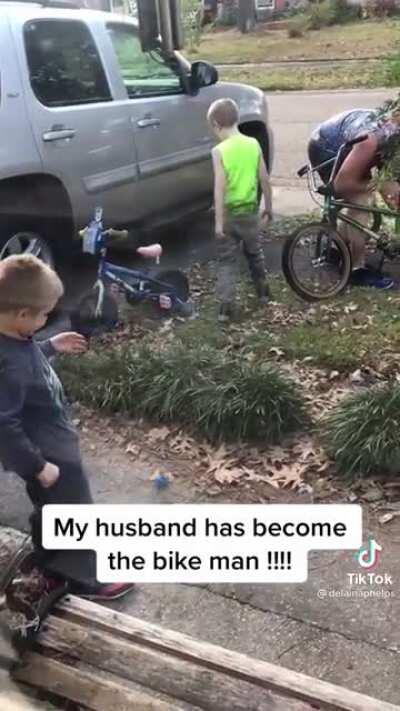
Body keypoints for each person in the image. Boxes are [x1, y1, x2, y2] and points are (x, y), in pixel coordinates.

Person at [0, 254, 134, 600]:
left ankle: (48, 563)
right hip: (51, 459)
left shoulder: (14, 340)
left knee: (51, 509)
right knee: (75, 513)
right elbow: (4, 423)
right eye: (44, 314)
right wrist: (38, 466)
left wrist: (48, 346)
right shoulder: (9, 366)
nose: (48, 319)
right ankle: (87, 580)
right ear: (21, 315)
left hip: (51, 451)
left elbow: (26, 360)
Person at [308, 107, 400, 290]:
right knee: (361, 202)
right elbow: (341, 185)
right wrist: (373, 187)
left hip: (339, 141)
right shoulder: (372, 139)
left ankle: (335, 251)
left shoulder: (389, 131)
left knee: (372, 192)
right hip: (327, 148)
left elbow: (390, 186)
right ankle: (356, 270)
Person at [207, 98, 273, 321]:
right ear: (236, 119)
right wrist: (269, 207)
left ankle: (226, 307)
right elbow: (264, 179)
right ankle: (263, 293)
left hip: (229, 215)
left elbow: (220, 187)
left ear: (216, 125)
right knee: (255, 254)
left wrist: (218, 222)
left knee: (227, 261)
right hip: (250, 212)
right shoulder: (253, 144)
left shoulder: (219, 151)